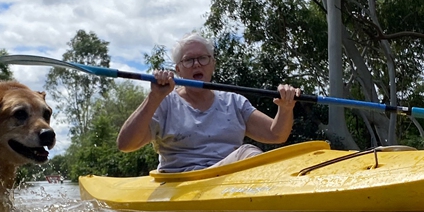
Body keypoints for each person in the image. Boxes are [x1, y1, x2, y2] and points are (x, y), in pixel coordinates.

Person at [117, 32, 299, 173]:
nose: (197, 64)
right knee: (247, 153)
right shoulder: (164, 103)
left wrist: (285, 108)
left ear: (213, 64)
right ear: (178, 70)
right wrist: (154, 98)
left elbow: (276, 135)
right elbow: (126, 144)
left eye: (203, 58)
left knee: (249, 154)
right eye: (188, 60)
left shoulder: (234, 101)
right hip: (180, 182)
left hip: (229, 179)